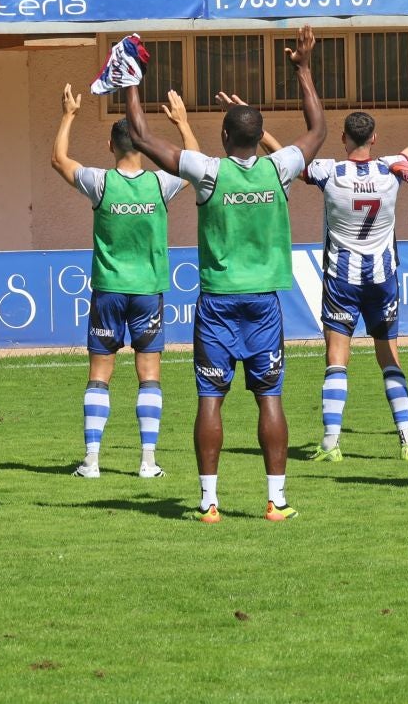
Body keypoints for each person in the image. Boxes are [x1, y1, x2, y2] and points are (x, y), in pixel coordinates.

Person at [123, 26, 327, 524]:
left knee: (210, 398)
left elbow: (144, 137)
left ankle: (208, 503)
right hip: (263, 302)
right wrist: (302, 68)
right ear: (259, 140)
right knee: (269, 397)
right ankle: (276, 501)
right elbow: (318, 130)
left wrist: (130, 79)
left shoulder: (209, 171)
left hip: (216, 303)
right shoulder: (278, 169)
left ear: (222, 138)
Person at [51, 84, 198, 479]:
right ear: (145, 147)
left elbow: (58, 159)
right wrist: (182, 124)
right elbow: (196, 163)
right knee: (149, 375)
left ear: (110, 146)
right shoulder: (160, 184)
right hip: (148, 292)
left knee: (100, 375)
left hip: (109, 292)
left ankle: (92, 461)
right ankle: (147, 462)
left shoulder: (100, 183)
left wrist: (69, 114)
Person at [301, 99, 408, 463]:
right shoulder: (391, 169)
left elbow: (288, 160)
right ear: (375, 137)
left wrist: (259, 134)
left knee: (337, 359)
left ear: (344, 139)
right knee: (389, 357)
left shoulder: (330, 172)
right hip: (382, 278)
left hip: (341, 279)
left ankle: (331, 443)